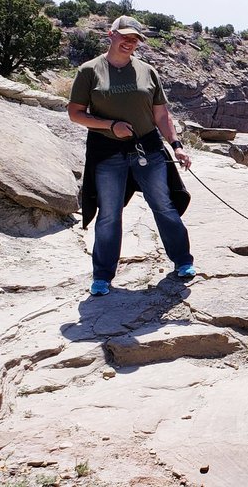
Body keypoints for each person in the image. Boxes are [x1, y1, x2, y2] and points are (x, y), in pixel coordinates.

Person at [68, 15, 196, 296]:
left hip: (147, 150)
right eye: (124, 36)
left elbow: (160, 113)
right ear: (110, 34)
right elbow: (75, 113)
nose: (129, 42)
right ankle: (102, 276)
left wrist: (176, 144)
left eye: (135, 38)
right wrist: (110, 126)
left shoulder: (147, 71)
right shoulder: (90, 71)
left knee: (163, 205)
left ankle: (183, 261)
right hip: (107, 152)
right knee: (109, 214)